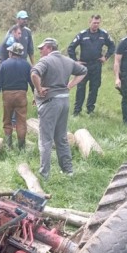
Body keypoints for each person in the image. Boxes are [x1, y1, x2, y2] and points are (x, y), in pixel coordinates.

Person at [30, 38, 87, 179]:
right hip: (64, 101)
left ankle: (44, 174)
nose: (40, 51)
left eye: (41, 48)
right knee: (61, 138)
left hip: (50, 103)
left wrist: (39, 89)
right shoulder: (68, 61)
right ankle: (68, 171)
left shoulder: (46, 61)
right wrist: (69, 86)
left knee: (45, 139)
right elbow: (83, 71)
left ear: (49, 48)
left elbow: (34, 73)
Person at [66, 14, 115, 116]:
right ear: (90, 22)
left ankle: (90, 110)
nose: (96, 25)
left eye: (98, 23)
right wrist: (75, 61)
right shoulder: (82, 34)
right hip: (84, 66)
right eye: (94, 23)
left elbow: (112, 46)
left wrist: (106, 57)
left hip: (96, 65)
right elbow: (71, 48)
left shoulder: (103, 34)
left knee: (95, 88)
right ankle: (77, 111)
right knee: (81, 88)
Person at [0, 42, 34, 150]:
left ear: (11, 52)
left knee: (7, 120)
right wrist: (35, 96)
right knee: (21, 121)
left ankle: (8, 146)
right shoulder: (26, 65)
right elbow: (32, 82)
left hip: (7, 96)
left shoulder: (4, 65)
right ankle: (21, 147)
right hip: (21, 95)